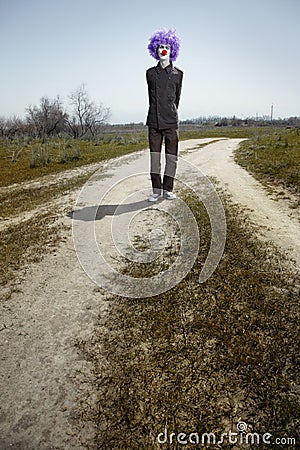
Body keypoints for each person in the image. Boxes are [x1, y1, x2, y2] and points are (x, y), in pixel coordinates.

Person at [146, 28, 183, 202]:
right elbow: (150, 97)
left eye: (167, 47)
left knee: (171, 158)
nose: (163, 50)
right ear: (155, 49)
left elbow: (177, 98)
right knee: (155, 158)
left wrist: (170, 111)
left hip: (171, 122)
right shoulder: (150, 74)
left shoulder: (178, 74)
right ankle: (156, 190)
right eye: (160, 46)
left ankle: (168, 189)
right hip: (153, 122)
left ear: (172, 50)